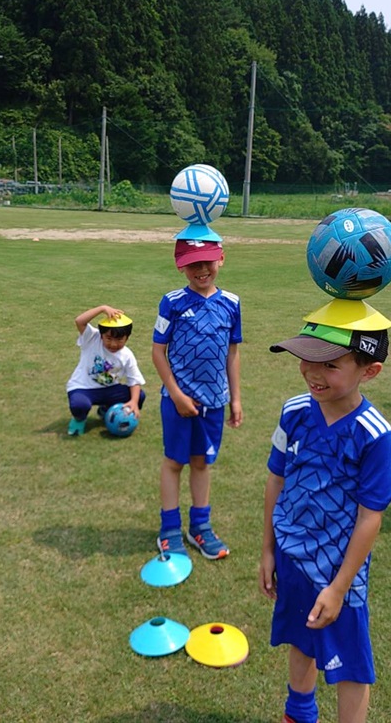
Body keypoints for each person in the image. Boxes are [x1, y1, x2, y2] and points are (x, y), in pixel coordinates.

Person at [260, 320, 391, 723]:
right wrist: (268, 549)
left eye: (331, 365)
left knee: (351, 665)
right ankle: (299, 713)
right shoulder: (294, 411)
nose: (312, 372)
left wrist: (339, 588)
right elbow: (276, 478)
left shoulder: (374, 436)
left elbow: (370, 517)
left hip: (339, 572)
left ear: (369, 371)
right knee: (301, 637)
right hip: (290, 554)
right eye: (306, 358)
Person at [152, 238, 242, 560]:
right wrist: (175, 394)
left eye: (208, 262)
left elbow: (232, 354)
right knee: (175, 462)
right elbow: (158, 352)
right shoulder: (172, 302)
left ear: (221, 259)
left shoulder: (232, 303)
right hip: (178, 402)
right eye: (193, 263)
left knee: (202, 463)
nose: (201, 270)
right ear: (181, 267)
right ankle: (170, 529)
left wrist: (235, 398)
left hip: (214, 402)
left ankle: (200, 528)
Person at [65, 304, 147, 436]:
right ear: (101, 335)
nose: (113, 344)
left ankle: (107, 410)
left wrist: (133, 402)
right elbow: (79, 321)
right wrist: (102, 308)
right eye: (108, 338)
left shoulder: (127, 355)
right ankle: (79, 419)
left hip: (109, 389)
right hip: (83, 387)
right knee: (80, 405)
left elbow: (134, 380)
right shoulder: (92, 339)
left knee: (139, 396)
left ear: (127, 337)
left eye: (119, 340)